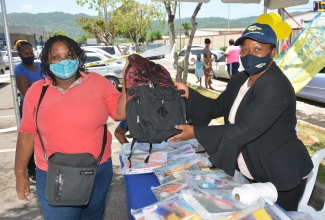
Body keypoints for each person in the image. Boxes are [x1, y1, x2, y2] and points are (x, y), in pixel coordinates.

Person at [168, 23, 313, 211]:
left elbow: (245, 129)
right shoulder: (240, 79)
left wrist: (196, 132)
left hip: (280, 176)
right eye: (245, 49)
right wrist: (189, 93)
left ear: (273, 52)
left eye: (258, 49)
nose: (249, 54)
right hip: (252, 171)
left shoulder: (275, 86)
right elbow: (215, 107)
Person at [14, 35, 126, 219]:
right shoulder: (36, 91)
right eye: (56, 57)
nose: (63, 61)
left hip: (97, 171)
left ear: (78, 57)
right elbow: (27, 133)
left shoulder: (98, 82)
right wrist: (20, 173)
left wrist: (128, 83)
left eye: (69, 55)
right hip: (54, 174)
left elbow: (120, 114)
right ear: (47, 61)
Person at [14, 41, 45, 183]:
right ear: (20, 55)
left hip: (45, 105)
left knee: (45, 137)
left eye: (31, 53)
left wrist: (33, 84)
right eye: (26, 54)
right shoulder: (19, 69)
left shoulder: (39, 66)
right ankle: (32, 170)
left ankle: (45, 165)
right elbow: (25, 90)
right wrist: (41, 84)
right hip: (29, 107)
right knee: (30, 139)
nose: (30, 56)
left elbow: (51, 82)